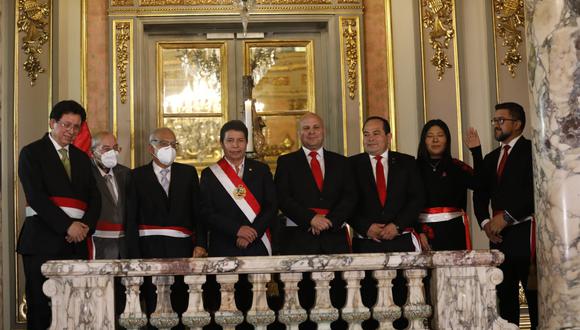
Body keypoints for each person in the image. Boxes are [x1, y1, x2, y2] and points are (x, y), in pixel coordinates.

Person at [17, 100, 101, 329]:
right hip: (42, 241)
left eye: (76, 127)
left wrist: (84, 227)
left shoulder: (82, 158)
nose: (71, 131)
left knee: (76, 310)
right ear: (52, 123)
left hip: (77, 243)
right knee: (42, 308)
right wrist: (67, 226)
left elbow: (95, 198)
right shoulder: (31, 152)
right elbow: (36, 197)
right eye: (66, 125)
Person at [274, 112, 355, 329]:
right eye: (306, 128)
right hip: (299, 240)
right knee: (302, 302)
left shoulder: (341, 162)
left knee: (336, 299)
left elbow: (350, 197)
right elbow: (283, 198)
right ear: (299, 133)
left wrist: (330, 220)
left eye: (315, 127)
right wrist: (311, 218)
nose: (311, 132)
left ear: (323, 131)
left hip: (333, 238)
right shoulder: (286, 162)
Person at [125, 127, 207, 327]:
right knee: (155, 306)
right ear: (151, 148)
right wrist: (134, 256)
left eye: (173, 144)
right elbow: (130, 219)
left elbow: (199, 213)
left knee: (181, 305)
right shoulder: (136, 176)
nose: (169, 148)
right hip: (149, 250)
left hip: (183, 250)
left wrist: (201, 244)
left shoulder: (188, 173)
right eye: (164, 143)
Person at [200, 120, 277, 329]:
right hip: (225, 246)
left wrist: (252, 232)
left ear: (246, 142)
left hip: (257, 246)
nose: (235, 145)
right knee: (227, 310)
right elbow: (206, 212)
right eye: (230, 140)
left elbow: (271, 206)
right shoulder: (210, 174)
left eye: (240, 141)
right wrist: (237, 230)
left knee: (258, 309)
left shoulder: (260, 170)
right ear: (221, 143)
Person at [349, 116, 424, 330]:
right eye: (366, 134)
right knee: (369, 303)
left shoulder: (407, 162)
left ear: (388, 137)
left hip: (400, 242)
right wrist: (365, 227)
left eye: (376, 133)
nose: (370, 138)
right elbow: (346, 203)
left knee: (401, 300)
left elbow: (417, 199)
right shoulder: (351, 165)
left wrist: (397, 225)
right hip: (366, 244)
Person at [473, 102, 537, 328]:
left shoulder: (532, 150)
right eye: (495, 121)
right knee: (504, 294)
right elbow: (479, 194)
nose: (496, 125)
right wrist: (485, 223)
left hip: (525, 232)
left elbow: (535, 191)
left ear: (517, 124)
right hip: (497, 238)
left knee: (530, 296)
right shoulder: (491, 158)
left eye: (501, 120)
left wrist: (507, 217)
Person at [416, 120, 482, 251]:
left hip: (454, 231)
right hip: (422, 233)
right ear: (424, 141)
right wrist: (418, 231)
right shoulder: (413, 168)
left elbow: (480, 184)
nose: (435, 140)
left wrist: (476, 151)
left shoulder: (457, 167)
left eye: (440, 135)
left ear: (447, 140)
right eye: (430, 136)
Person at [88, 131, 130, 259]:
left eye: (115, 148)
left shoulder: (126, 173)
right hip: (97, 242)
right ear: (92, 151)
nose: (112, 153)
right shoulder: (86, 173)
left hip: (124, 244)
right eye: (106, 149)